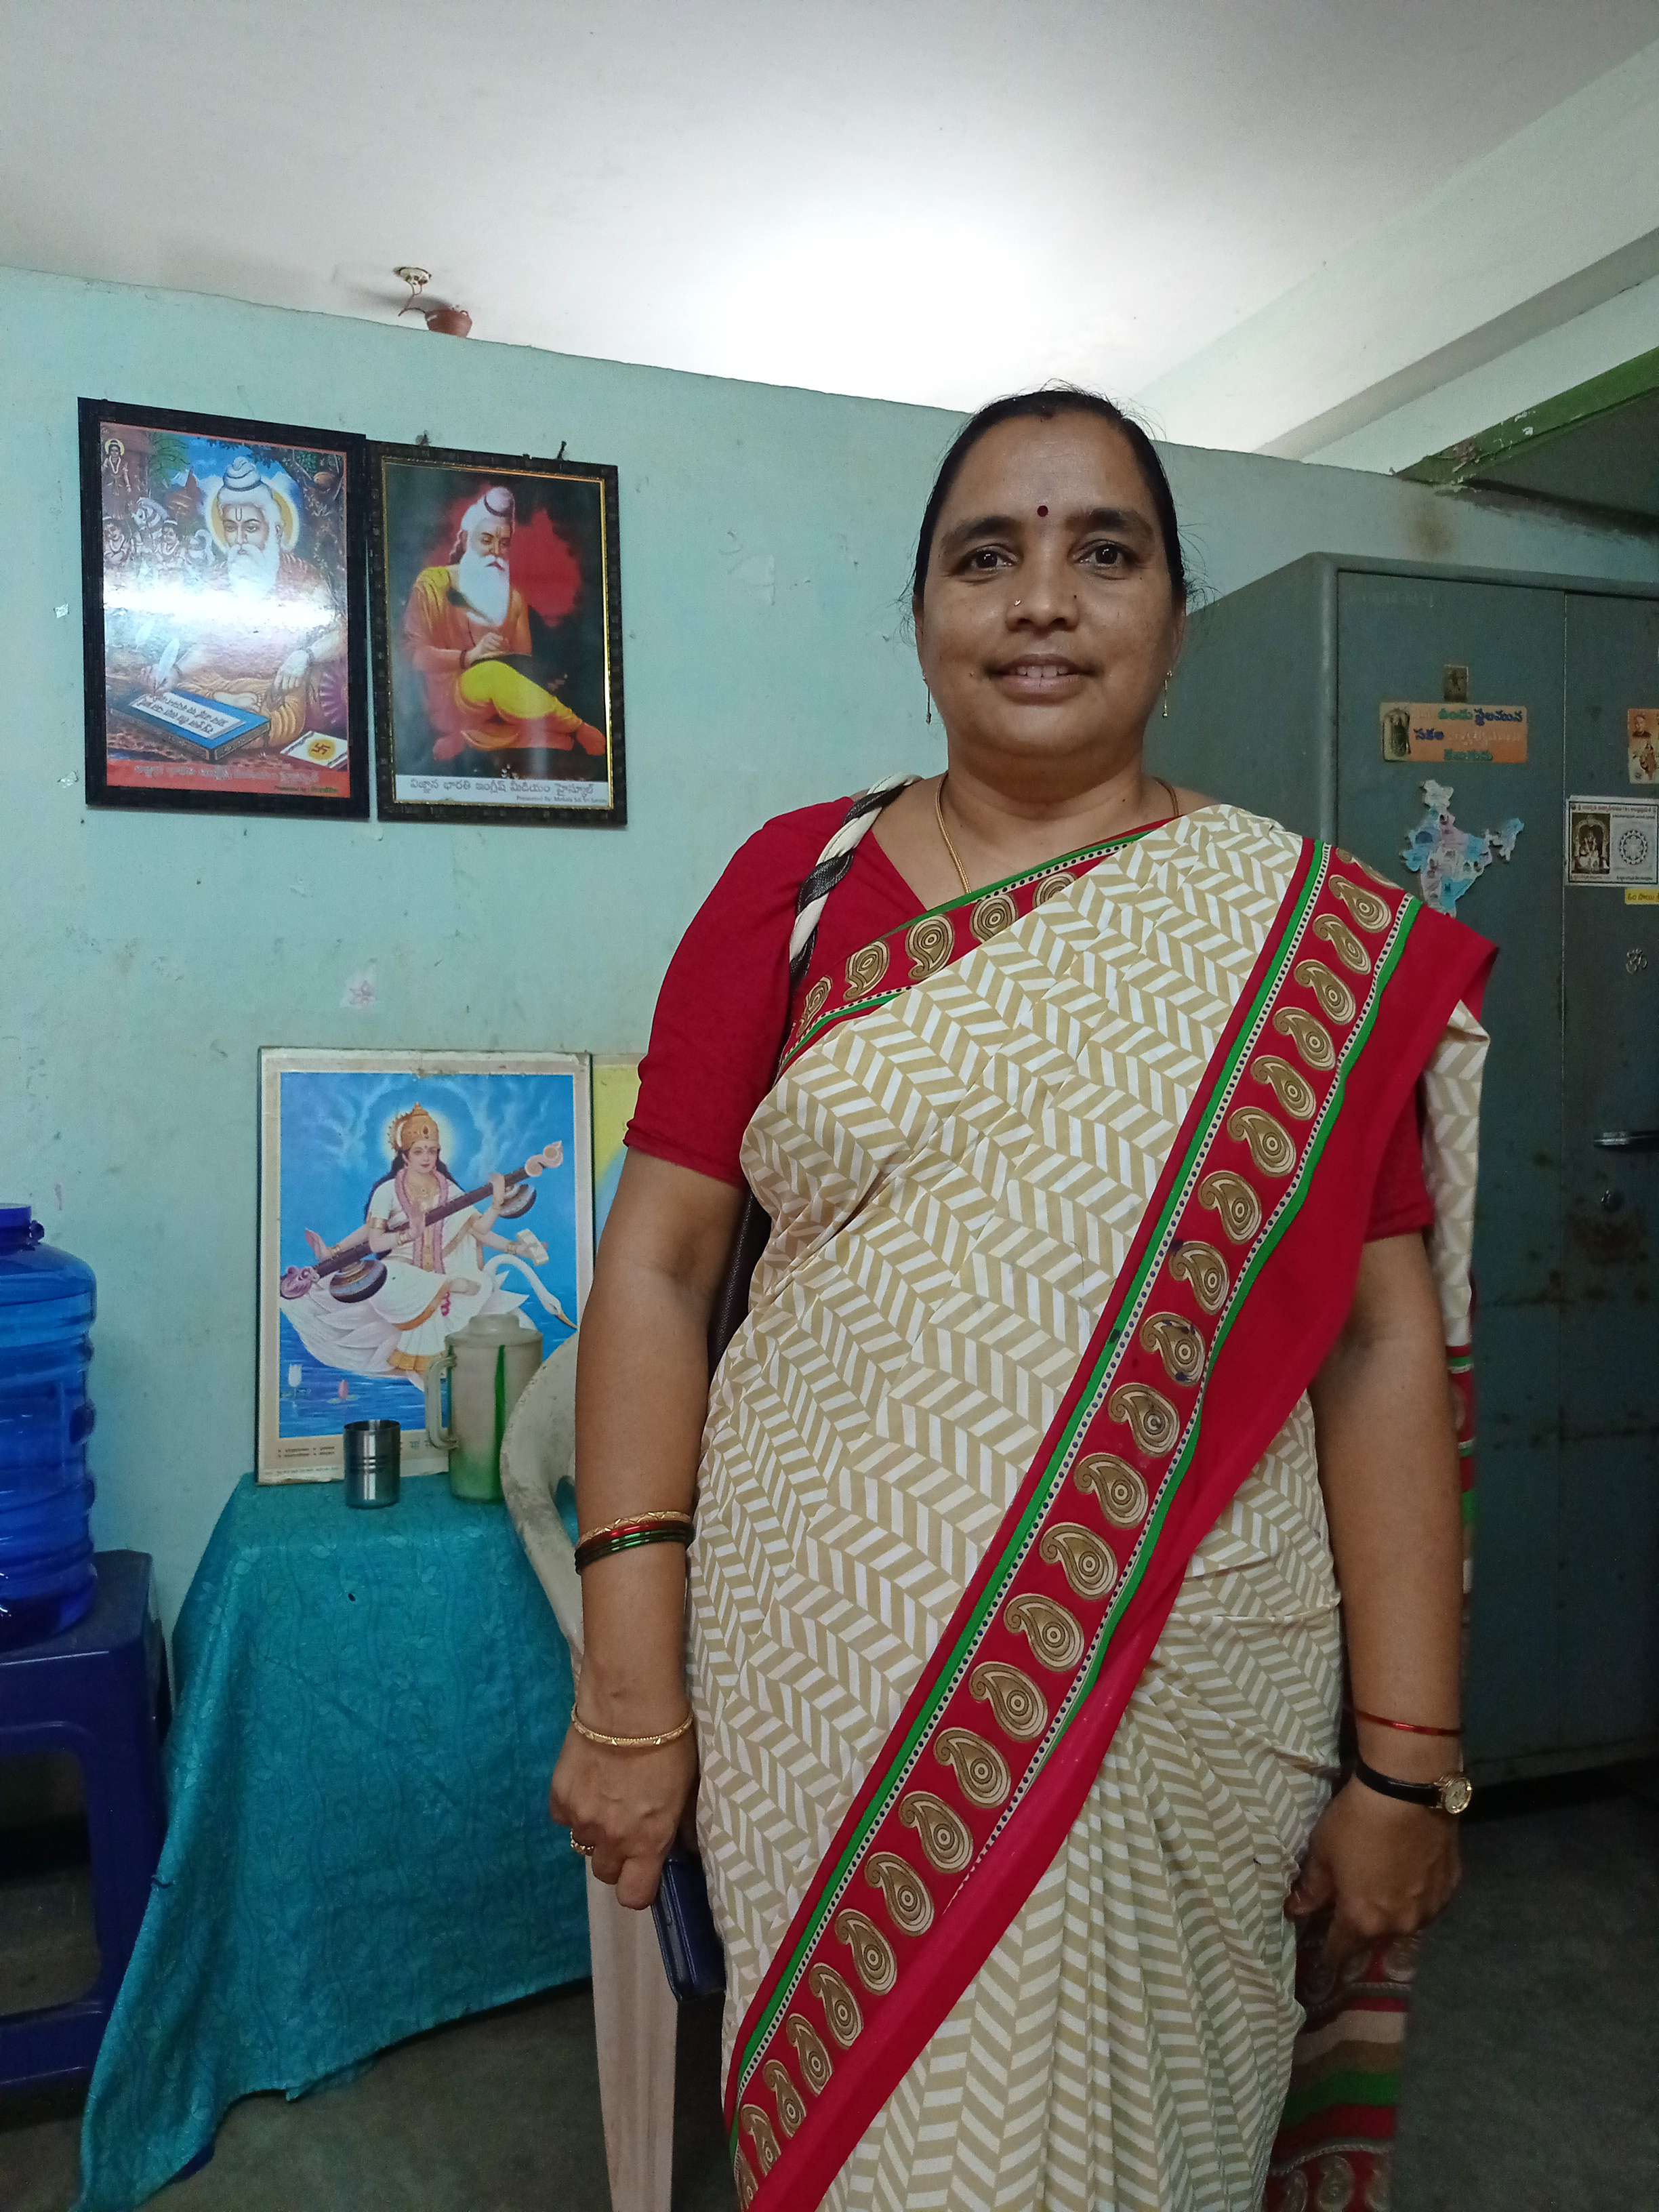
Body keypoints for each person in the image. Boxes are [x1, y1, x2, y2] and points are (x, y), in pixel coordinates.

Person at [550, 388, 1492, 2212]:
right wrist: (630, 1692)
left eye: (1103, 553)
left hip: (1194, 1694)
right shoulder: (795, 895)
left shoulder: (1306, 943)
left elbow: (1378, 1348)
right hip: (826, 1688)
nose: (1042, 600)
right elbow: (655, 1274)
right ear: (920, 615)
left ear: (1172, 615)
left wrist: (1407, 1767)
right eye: (987, 555)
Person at [281, 1105, 565, 1388]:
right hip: (402, 1272)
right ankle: (446, 1286)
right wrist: (405, 1236)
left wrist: (509, 1233)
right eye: (419, 1151)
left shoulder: (449, 1189)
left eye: (432, 1150)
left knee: (476, 1286)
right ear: (405, 1156)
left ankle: (445, 1290)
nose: (427, 1157)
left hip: (445, 1268)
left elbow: (478, 1231)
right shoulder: (387, 1191)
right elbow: (375, 1239)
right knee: (389, 1277)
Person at [401, 485, 606, 764]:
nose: (496, 552)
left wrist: (518, 663)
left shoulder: (514, 599)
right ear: (466, 539)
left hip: (500, 707)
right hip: (449, 701)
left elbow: (522, 673)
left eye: (504, 544)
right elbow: (414, 656)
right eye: (486, 540)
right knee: (492, 674)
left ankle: (469, 738)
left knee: (516, 696)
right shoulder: (433, 584)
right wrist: (471, 657)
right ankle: (575, 727)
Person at [156, 453, 346, 750]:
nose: (240, 539)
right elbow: (209, 648)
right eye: (231, 528)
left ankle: (227, 712)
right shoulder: (218, 577)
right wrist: (176, 672)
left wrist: (305, 656)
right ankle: (224, 704)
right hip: (218, 682)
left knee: (278, 719)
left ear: (276, 531)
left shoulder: (303, 576)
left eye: (252, 527)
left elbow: (343, 633)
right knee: (173, 694)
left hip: (274, 688)